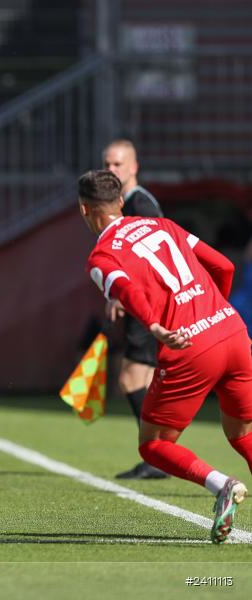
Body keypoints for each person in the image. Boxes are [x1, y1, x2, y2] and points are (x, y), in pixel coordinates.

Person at [79, 169, 251, 544]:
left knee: (153, 444)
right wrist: (216, 312)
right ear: (121, 201)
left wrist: (154, 325)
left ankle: (221, 485)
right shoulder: (164, 225)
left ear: (84, 210)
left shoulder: (101, 256)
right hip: (234, 333)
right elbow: (225, 266)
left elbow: (125, 290)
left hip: (190, 348)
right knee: (241, 433)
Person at [102, 139, 167, 480]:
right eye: (107, 164)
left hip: (144, 304)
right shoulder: (125, 204)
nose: (111, 170)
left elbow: (150, 257)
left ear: (134, 167)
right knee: (142, 382)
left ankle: (158, 456)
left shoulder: (142, 204)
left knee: (129, 380)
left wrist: (121, 296)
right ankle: (159, 455)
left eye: (117, 164)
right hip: (144, 303)